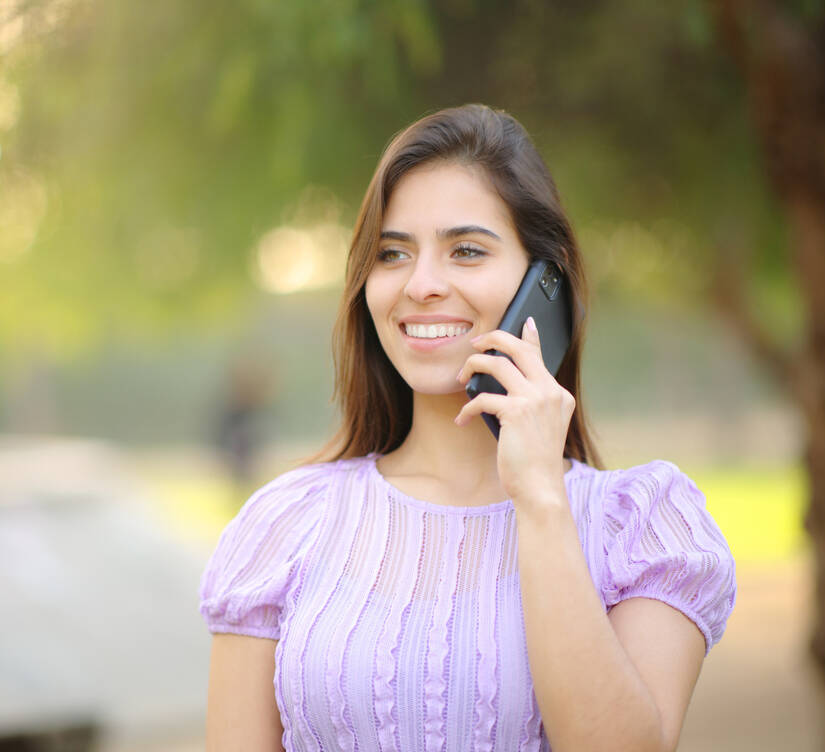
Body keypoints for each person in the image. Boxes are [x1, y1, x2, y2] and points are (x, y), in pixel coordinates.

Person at [198, 104, 737, 752]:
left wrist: (539, 495)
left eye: (467, 250)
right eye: (392, 253)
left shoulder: (643, 528)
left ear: (547, 283)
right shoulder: (286, 526)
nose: (422, 284)